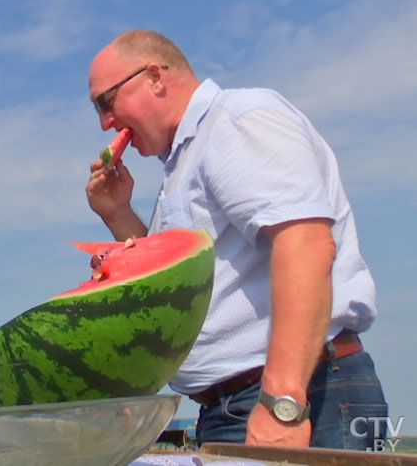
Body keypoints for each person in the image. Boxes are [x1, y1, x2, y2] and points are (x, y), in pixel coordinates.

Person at [84, 29, 386, 449]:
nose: (105, 123)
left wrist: (283, 402)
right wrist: (118, 214)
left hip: (301, 396)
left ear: (154, 77)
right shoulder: (183, 162)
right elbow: (175, 287)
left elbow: (305, 244)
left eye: (106, 101)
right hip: (237, 406)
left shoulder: (236, 121)